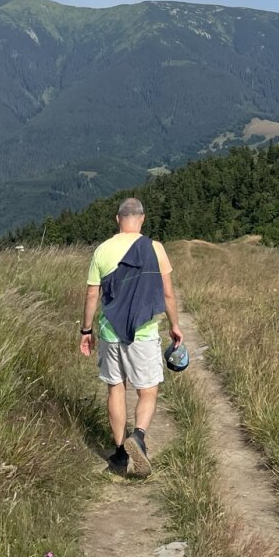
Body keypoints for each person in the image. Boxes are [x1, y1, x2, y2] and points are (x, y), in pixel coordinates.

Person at [79, 197, 183, 477]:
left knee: (115, 388)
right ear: (142, 219)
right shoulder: (155, 248)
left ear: (117, 219)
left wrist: (86, 330)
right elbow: (168, 294)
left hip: (110, 331)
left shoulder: (102, 250)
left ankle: (120, 454)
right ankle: (138, 436)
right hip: (144, 332)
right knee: (147, 390)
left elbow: (92, 294)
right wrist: (175, 326)